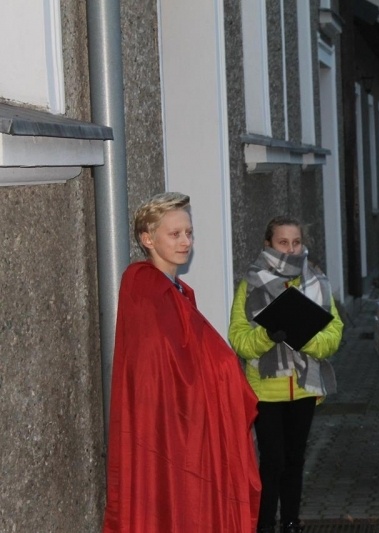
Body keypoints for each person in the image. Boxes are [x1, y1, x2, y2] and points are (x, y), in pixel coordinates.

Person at [103, 192, 261, 533]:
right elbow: (161, 367)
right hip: (164, 425)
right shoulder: (145, 285)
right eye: (175, 234)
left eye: (188, 232)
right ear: (148, 239)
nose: (185, 241)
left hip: (187, 422)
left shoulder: (178, 290)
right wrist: (224, 374)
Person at [228, 215, 343, 533]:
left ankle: (291, 522)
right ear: (268, 245)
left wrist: (309, 340)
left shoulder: (317, 281)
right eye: (283, 242)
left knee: (295, 459)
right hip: (265, 390)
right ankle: (264, 524)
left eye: (296, 242)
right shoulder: (250, 285)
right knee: (273, 461)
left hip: (304, 388)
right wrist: (268, 336)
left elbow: (334, 331)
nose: (290, 249)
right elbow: (238, 338)